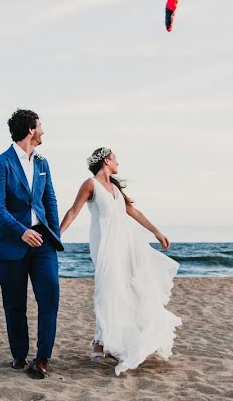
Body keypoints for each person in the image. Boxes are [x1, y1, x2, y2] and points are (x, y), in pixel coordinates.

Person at [59, 147, 181, 376]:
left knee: (126, 292)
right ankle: (99, 341)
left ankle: (113, 340)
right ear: (106, 160)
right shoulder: (90, 184)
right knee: (106, 291)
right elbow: (73, 211)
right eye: (115, 159)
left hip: (125, 246)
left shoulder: (115, 188)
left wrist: (156, 231)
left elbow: (132, 212)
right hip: (105, 246)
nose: (118, 163)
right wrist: (57, 235)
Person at [0, 109, 64, 379]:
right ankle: (19, 356)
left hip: (42, 242)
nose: (43, 130)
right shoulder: (1, 163)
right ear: (31, 130)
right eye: (40, 126)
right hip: (11, 243)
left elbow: (49, 201)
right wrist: (21, 231)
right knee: (15, 303)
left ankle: (42, 358)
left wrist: (54, 236)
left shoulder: (42, 164)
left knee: (50, 297)